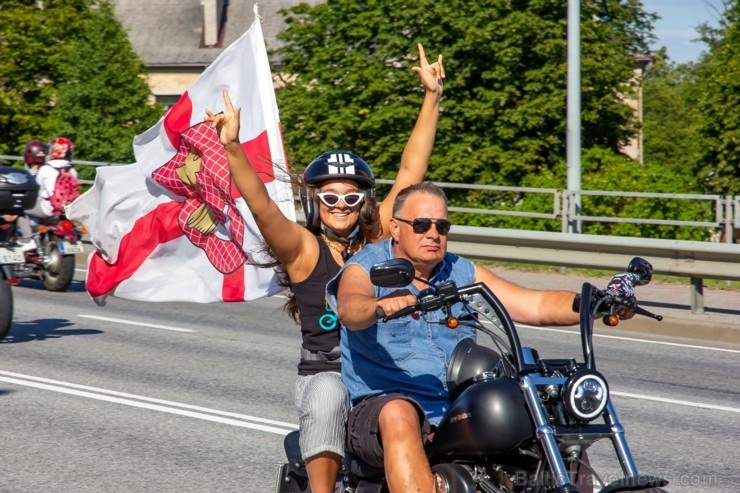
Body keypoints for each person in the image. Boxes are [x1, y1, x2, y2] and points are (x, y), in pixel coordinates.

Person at [205, 44, 445, 493]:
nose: (340, 206)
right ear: (315, 202)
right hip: (327, 373)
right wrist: (232, 147)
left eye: (352, 198)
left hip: (379, 370)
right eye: (329, 197)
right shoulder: (303, 249)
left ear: (366, 203)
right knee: (329, 395)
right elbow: (260, 206)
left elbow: (411, 171)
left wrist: (431, 97)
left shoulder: (378, 239)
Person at [327, 181, 633, 493]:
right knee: (399, 412)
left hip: (454, 411)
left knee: (553, 405)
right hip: (379, 412)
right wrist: (379, 306)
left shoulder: (461, 272)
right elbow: (351, 307)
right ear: (395, 227)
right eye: (421, 225)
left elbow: (534, 304)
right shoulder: (368, 267)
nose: (433, 234)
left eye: (441, 226)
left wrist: (594, 304)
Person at [8, 140, 49, 251]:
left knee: (19, 208)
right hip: (54, 207)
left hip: (39, 207)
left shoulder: (27, 174)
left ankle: (27, 239)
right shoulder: (50, 170)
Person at [25, 136, 79, 220]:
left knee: (20, 208)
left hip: (48, 210)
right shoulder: (72, 171)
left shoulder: (46, 169)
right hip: (68, 210)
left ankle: (29, 232)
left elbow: (38, 192)